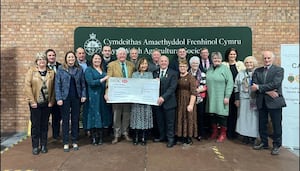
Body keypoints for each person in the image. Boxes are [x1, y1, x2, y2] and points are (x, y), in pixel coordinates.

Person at [251, 51, 286, 155]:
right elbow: (254, 86)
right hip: (261, 101)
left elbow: (276, 83)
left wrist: (260, 87)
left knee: (276, 124)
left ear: (273, 59)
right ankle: (264, 142)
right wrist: (268, 91)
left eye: (268, 58)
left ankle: (276, 145)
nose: (266, 60)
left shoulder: (279, 70)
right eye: (265, 58)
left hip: (275, 101)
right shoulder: (257, 71)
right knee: (262, 124)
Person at [55, 51, 86, 152]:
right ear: (66, 59)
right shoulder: (61, 69)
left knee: (75, 119)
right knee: (65, 120)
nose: (71, 59)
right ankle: (65, 142)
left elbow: (82, 84)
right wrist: (58, 98)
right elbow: (57, 85)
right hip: (64, 98)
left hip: (76, 97)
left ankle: (74, 140)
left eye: (72, 57)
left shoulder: (79, 69)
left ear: (75, 58)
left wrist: (83, 95)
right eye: (69, 57)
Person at [25, 52, 55, 155]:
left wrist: (52, 100)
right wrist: (32, 101)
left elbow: (54, 88)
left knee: (44, 125)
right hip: (35, 103)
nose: (42, 61)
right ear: (36, 62)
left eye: (43, 59)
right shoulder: (31, 72)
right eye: (39, 60)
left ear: (46, 62)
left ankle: (43, 145)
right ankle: (35, 146)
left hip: (47, 103)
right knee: (35, 125)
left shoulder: (51, 72)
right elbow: (27, 87)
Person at [104, 47, 135, 144]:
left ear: (126, 55)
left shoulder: (131, 65)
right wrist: (107, 92)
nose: (122, 55)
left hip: (128, 95)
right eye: (120, 54)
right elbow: (108, 79)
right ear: (117, 55)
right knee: (116, 115)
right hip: (116, 95)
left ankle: (125, 133)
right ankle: (117, 135)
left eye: (124, 54)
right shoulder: (111, 65)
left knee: (127, 114)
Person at [206, 52, 233, 143]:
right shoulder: (209, 69)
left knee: (222, 116)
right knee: (212, 115)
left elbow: (230, 83)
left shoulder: (225, 69)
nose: (216, 60)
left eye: (218, 59)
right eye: (215, 59)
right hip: (211, 97)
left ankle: (222, 134)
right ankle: (215, 132)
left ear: (221, 60)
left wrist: (227, 96)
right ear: (212, 60)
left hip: (222, 98)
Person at [85, 53, 111, 145]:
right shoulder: (89, 70)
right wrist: (103, 79)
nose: (97, 60)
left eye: (99, 59)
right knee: (94, 115)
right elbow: (91, 82)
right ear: (92, 60)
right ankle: (93, 137)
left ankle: (100, 137)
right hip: (93, 96)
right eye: (95, 59)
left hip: (103, 96)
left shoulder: (103, 69)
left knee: (102, 114)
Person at [152, 55, 178, 148]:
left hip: (169, 102)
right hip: (157, 102)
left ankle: (171, 139)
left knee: (170, 122)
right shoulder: (155, 73)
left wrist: (163, 97)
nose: (163, 63)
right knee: (160, 121)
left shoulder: (173, 73)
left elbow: (172, 88)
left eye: (165, 61)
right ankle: (162, 137)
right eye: (161, 61)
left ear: (168, 62)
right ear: (158, 62)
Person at [234, 56, 259, 145]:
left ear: (254, 63)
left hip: (253, 99)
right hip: (243, 99)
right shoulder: (240, 74)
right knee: (243, 117)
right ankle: (245, 136)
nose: (248, 64)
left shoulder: (257, 73)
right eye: (247, 63)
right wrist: (237, 99)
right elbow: (236, 86)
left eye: (250, 62)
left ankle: (253, 136)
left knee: (253, 118)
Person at [222, 47, 246, 139]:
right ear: (227, 55)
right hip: (226, 93)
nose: (232, 56)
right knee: (227, 113)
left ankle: (235, 132)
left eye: (234, 54)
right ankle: (227, 132)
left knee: (236, 113)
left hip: (237, 93)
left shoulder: (241, 64)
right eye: (231, 54)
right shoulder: (223, 65)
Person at [130, 57, 153, 146]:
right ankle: (136, 136)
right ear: (139, 64)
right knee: (136, 117)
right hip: (136, 100)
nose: (144, 65)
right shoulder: (134, 75)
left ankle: (143, 137)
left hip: (146, 100)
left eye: (146, 64)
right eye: (142, 63)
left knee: (145, 118)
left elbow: (151, 87)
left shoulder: (150, 74)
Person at [176, 60, 197, 145]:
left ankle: (188, 137)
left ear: (187, 67)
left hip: (188, 100)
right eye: (181, 66)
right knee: (180, 117)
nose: (182, 68)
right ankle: (180, 136)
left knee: (188, 118)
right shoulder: (177, 76)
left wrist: (191, 105)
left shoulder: (191, 77)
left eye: (184, 66)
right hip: (179, 100)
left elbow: (193, 92)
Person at [189, 56, 208, 141]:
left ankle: (200, 133)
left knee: (200, 116)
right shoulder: (187, 73)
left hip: (200, 99)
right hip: (189, 98)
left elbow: (204, 87)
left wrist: (195, 91)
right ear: (190, 64)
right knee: (190, 116)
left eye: (196, 63)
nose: (195, 65)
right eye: (193, 63)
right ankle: (191, 132)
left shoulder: (203, 74)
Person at [45, 49, 62, 140]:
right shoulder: (43, 67)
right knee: (45, 119)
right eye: (50, 55)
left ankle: (56, 135)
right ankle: (44, 137)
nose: (52, 57)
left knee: (57, 118)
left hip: (57, 97)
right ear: (46, 57)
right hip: (46, 97)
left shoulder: (61, 66)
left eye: (53, 55)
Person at [76, 47, 90, 136]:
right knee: (76, 112)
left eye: (83, 53)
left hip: (88, 90)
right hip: (77, 90)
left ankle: (87, 128)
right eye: (79, 53)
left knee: (87, 110)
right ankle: (76, 131)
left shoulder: (89, 63)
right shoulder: (73, 64)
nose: (81, 55)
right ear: (76, 54)